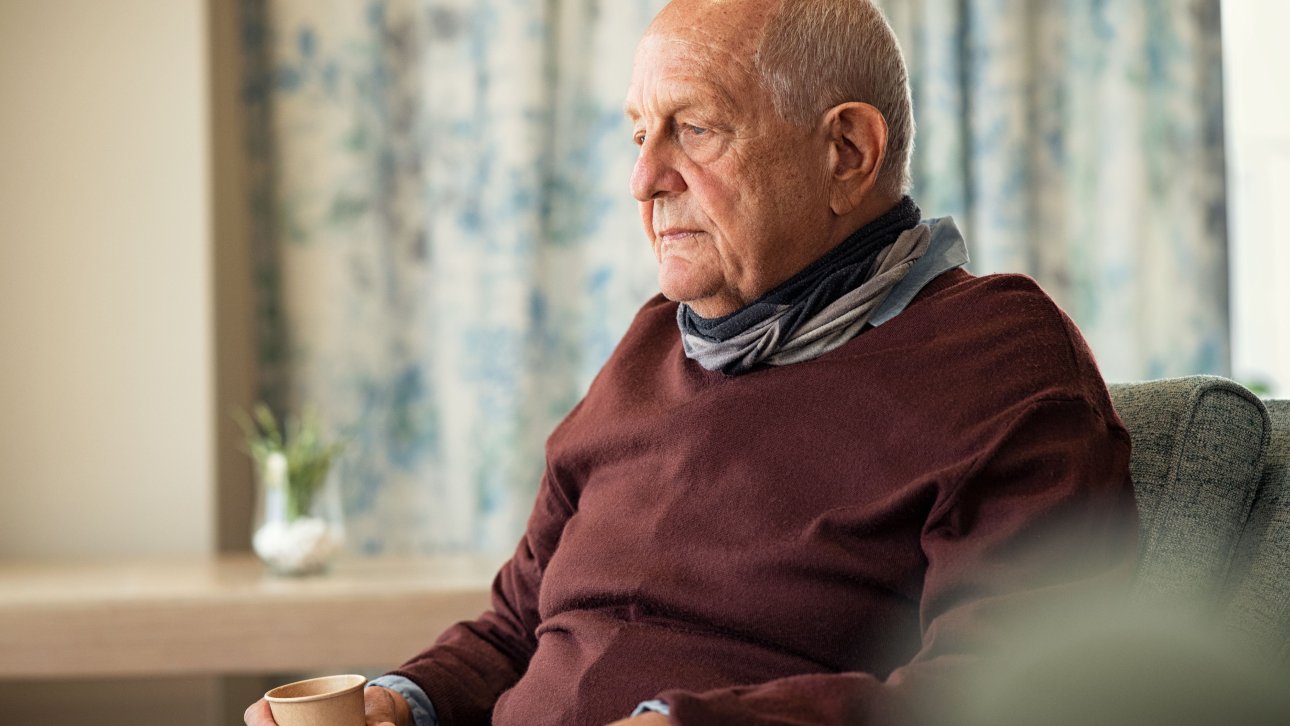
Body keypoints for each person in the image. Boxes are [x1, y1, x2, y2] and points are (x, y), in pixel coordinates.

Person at [247, 0, 1138, 724]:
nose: (644, 179)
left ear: (848, 152)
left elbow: (1017, 690)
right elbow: (519, 624)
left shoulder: (999, 356)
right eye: (638, 133)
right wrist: (401, 702)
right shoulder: (650, 343)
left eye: (695, 129)